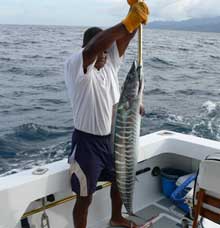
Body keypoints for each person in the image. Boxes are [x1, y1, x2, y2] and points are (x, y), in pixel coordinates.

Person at [64, 1, 149, 227]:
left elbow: (121, 41)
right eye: (98, 50)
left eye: (105, 50)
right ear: (86, 49)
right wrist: (126, 23)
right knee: (85, 197)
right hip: (87, 144)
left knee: (120, 181)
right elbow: (93, 48)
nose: (103, 54)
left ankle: (116, 217)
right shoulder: (77, 69)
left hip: (112, 140)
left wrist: (134, 20)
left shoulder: (111, 66)